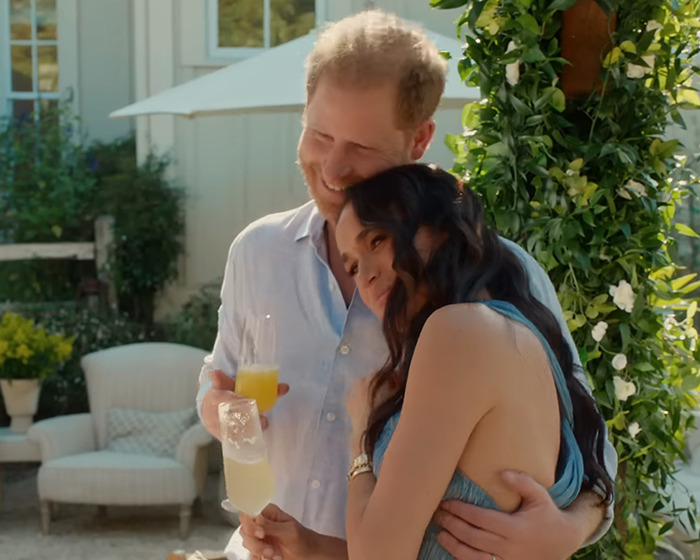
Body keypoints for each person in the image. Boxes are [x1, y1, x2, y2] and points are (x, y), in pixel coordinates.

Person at [196, 10, 617, 560]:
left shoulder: (493, 275)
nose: (332, 168)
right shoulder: (256, 251)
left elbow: (590, 452)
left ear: (419, 140)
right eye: (319, 134)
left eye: (361, 148)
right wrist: (219, 408)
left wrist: (567, 531)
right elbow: (219, 378)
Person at [335, 163, 614, 560]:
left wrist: (360, 437)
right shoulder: (519, 332)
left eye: (377, 240)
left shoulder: (458, 333)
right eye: (352, 266)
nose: (365, 276)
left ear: (443, 227)